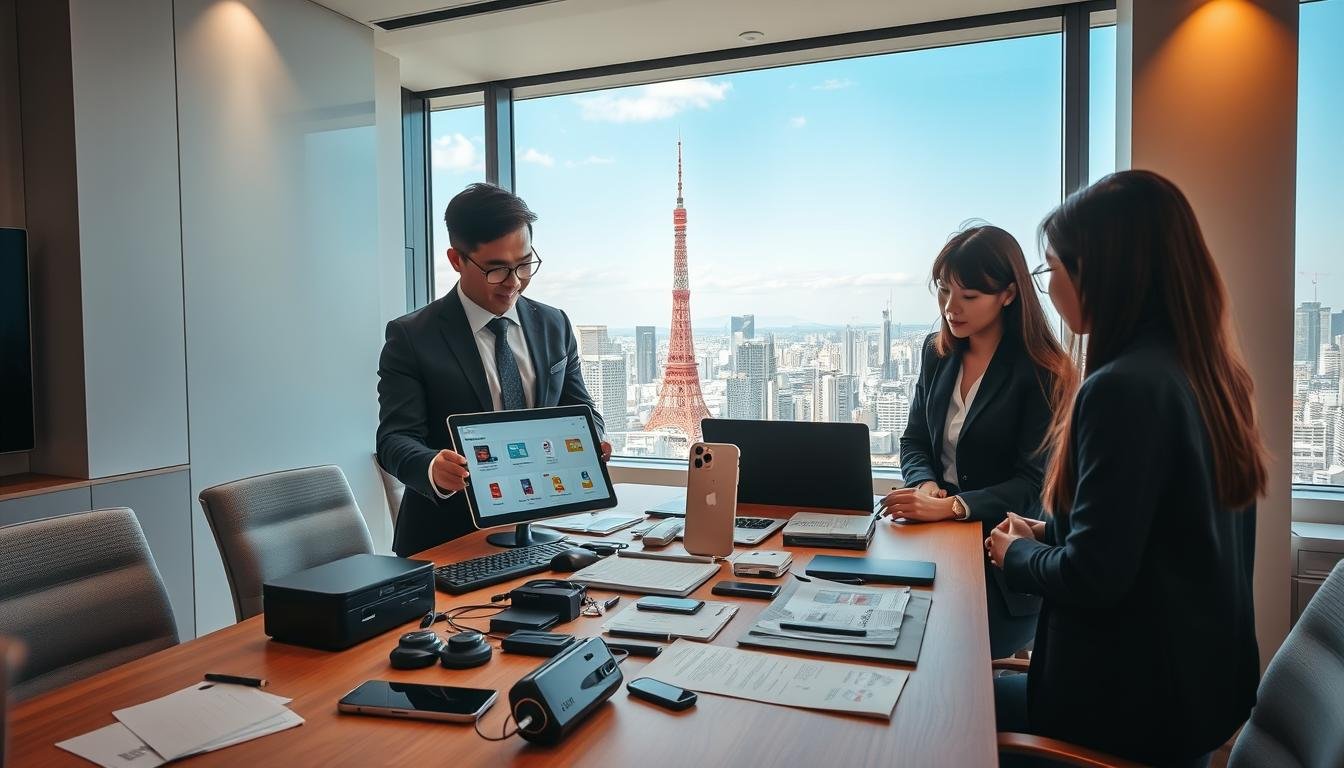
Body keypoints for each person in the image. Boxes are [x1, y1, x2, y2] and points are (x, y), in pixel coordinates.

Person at [987, 170, 1264, 767]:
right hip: (1189, 704)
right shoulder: (1212, 377)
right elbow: (1159, 536)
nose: (1049, 286)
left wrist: (1015, 555)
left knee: (934, 708)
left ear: (1100, 271)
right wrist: (1050, 533)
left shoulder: (1122, 390)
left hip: (1119, 715)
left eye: (1051, 269)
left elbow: (1094, 576)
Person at [376, 183, 610, 557]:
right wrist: (433, 466)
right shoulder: (412, 336)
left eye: (524, 264)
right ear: (456, 259)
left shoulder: (554, 324)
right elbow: (393, 440)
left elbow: (582, 410)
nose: (514, 282)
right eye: (497, 269)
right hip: (448, 542)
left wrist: (590, 438)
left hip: (538, 534)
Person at [883, 224, 1074, 659]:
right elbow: (914, 440)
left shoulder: (1043, 371)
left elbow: (1032, 486)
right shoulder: (937, 354)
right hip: (933, 541)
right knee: (874, 623)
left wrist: (953, 505)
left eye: (969, 297)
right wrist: (926, 484)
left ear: (1008, 294)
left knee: (932, 649)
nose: (952, 308)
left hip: (1001, 566)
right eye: (945, 291)